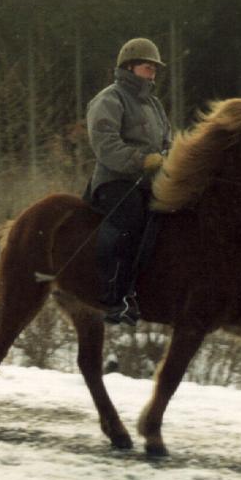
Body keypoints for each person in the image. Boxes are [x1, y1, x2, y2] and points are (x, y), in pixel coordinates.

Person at [85, 38, 171, 326]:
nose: (153, 73)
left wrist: (170, 159)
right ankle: (114, 297)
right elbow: (105, 144)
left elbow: (166, 142)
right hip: (115, 180)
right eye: (149, 67)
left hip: (150, 182)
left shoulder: (155, 105)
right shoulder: (110, 99)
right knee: (131, 221)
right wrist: (140, 161)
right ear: (130, 67)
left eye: (155, 68)